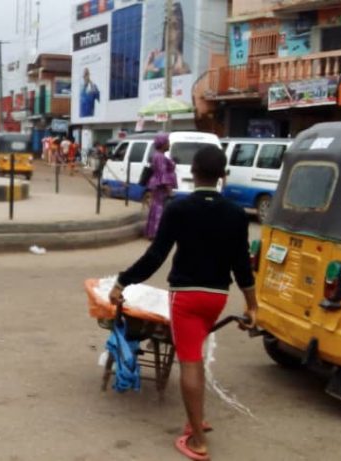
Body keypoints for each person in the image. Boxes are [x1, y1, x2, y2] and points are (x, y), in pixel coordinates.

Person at [109, 145, 257, 461]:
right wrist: (252, 306)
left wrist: (123, 281)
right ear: (222, 175)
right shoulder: (235, 213)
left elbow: (155, 256)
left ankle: (198, 441)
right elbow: (242, 265)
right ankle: (197, 419)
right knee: (197, 357)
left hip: (186, 297)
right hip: (216, 297)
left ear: (192, 172)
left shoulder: (179, 208)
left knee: (189, 361)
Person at [144, 3, 191, 80]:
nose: (169, 31)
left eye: (174, 26)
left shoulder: (184, 67)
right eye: (166, 25)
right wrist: (147, 72)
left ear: (180, 31)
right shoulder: (156, 60)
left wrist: (180, 73)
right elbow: (146, 87)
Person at [146, 133, 177, 239]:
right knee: (159, 208)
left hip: (157, 185)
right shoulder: (160, 157)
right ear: (163, 144)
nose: (169, 144)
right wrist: (169, 190)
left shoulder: (158, 155)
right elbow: (162, 174)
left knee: (156, 206)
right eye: (168, 142)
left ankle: (152, 232)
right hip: (161, 186)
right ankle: (156, 233)